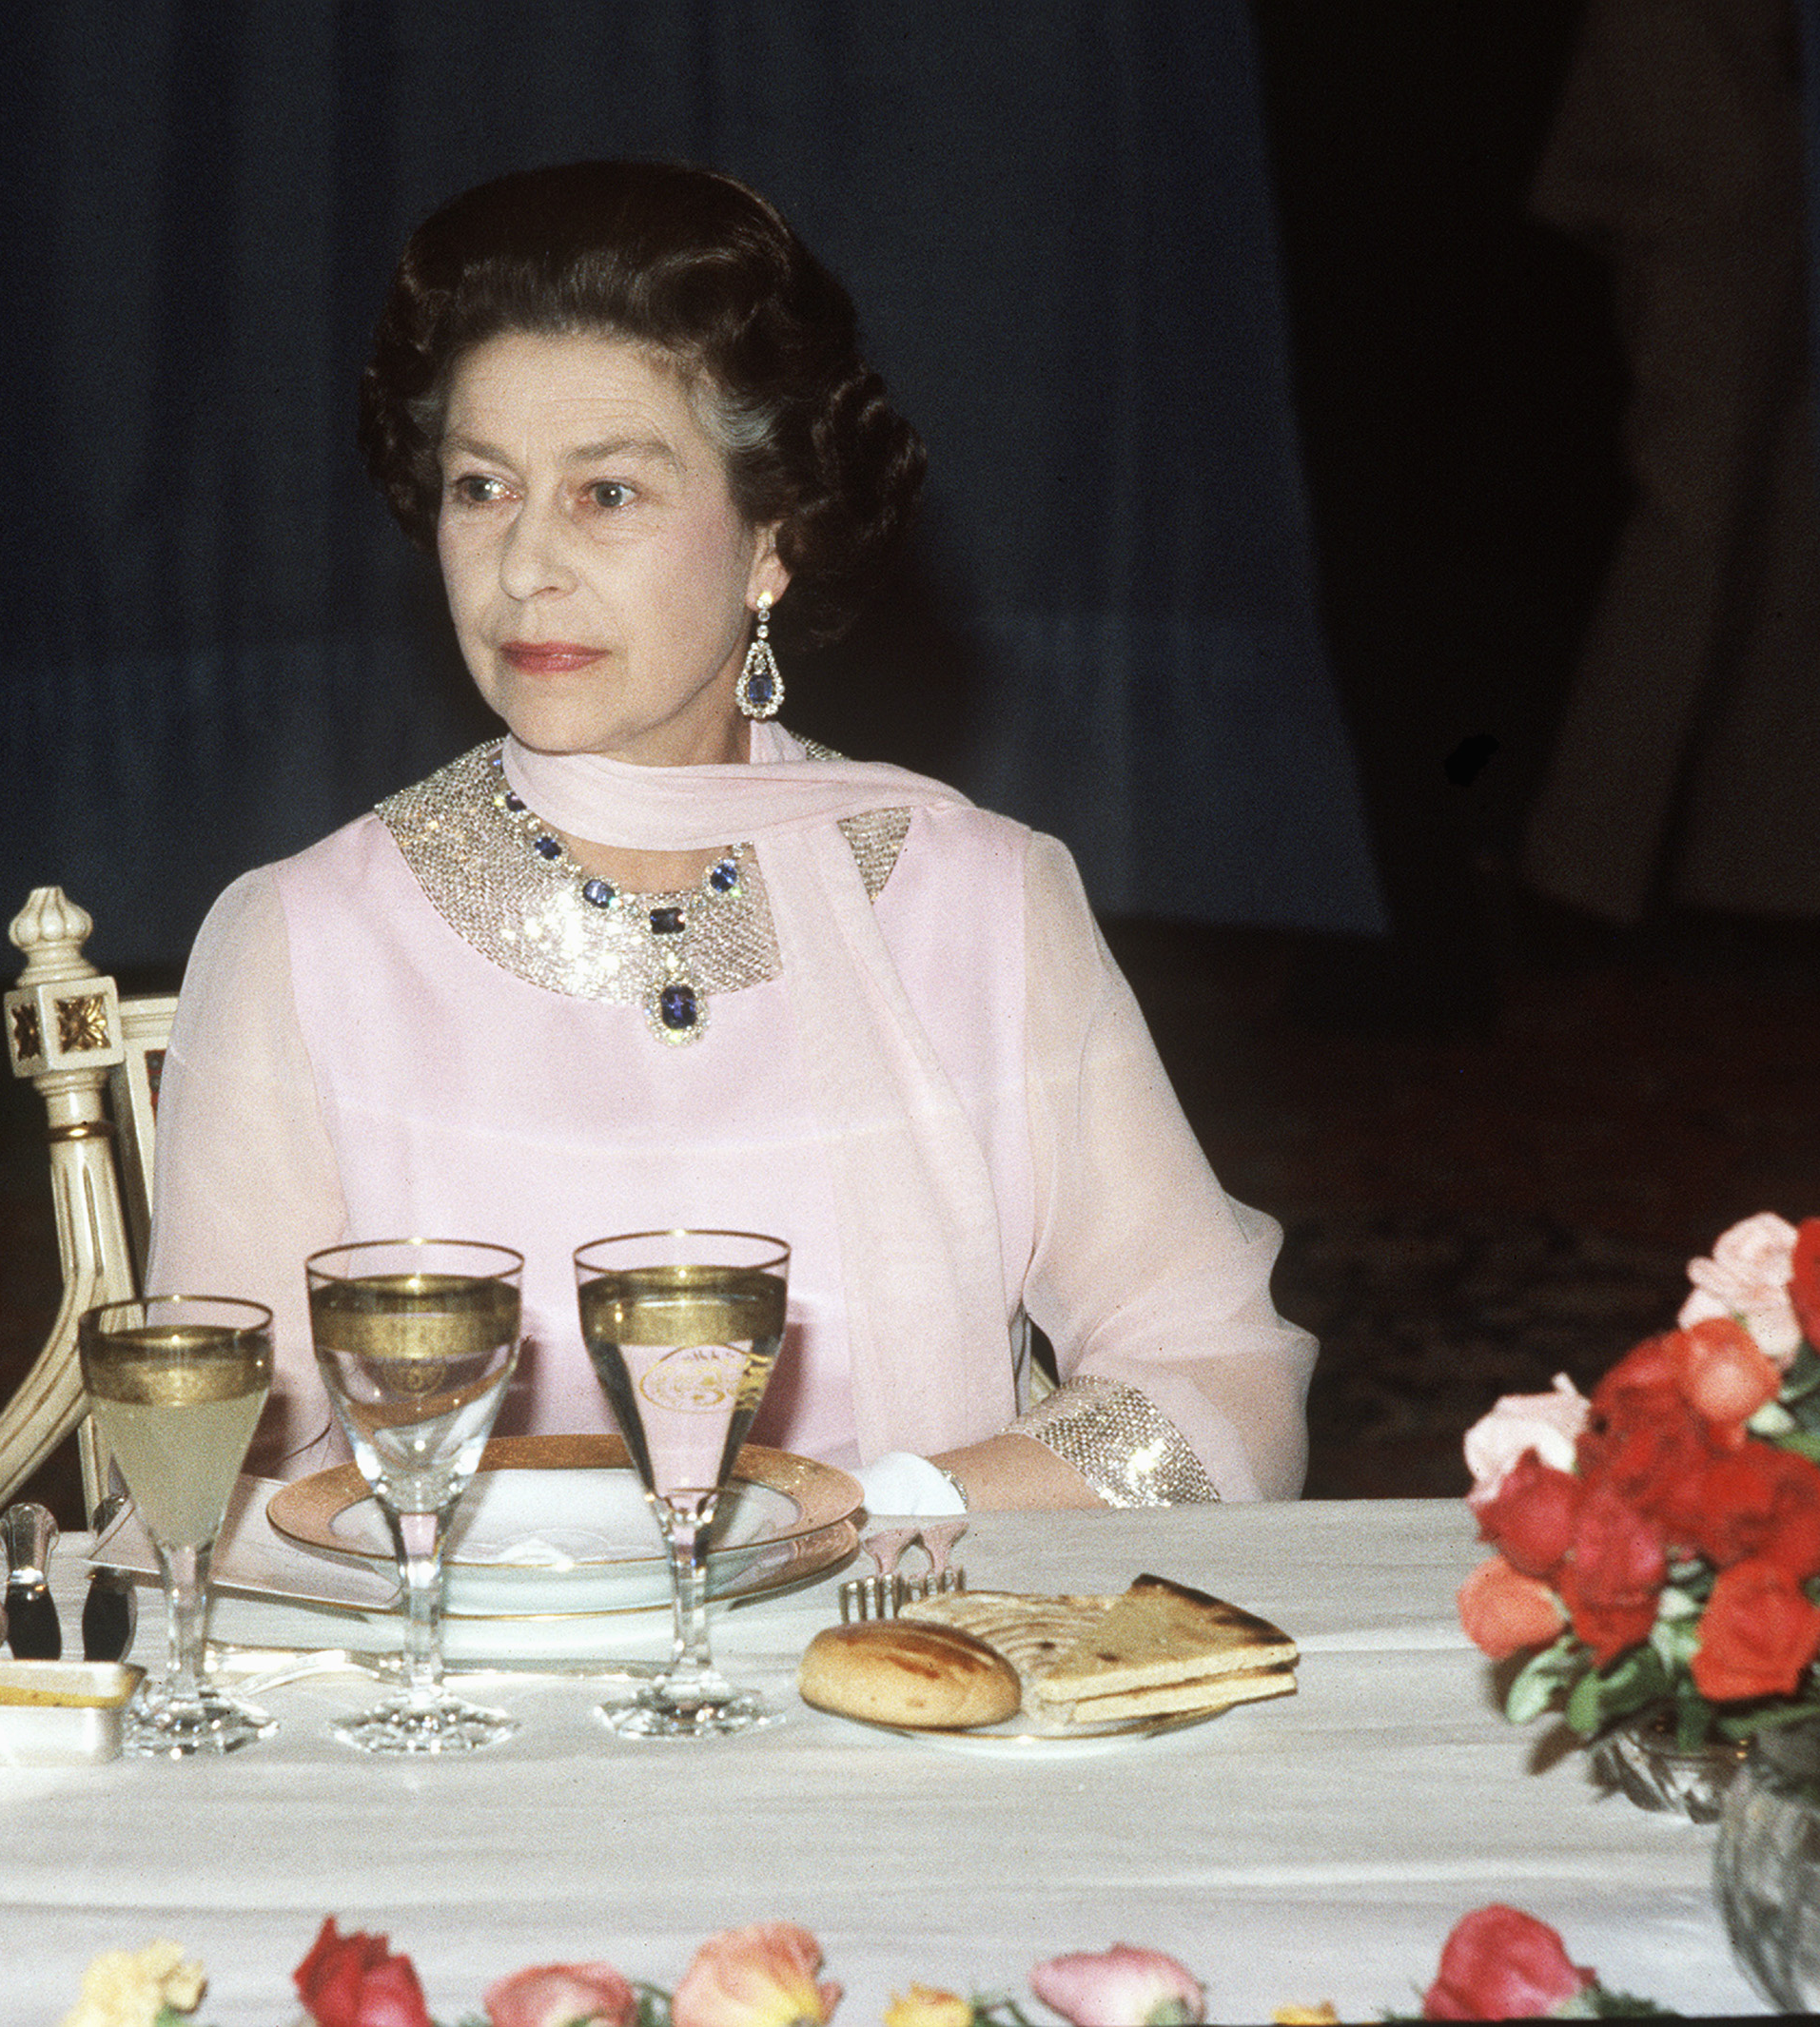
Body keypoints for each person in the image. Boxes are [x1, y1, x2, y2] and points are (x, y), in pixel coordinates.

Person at [146, 161, 1314, 1510]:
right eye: (481, 487)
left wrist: (863, 1516)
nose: (525, 566)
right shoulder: (307, 938)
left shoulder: (979, 902)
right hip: (468, 1642)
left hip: (894, 1622)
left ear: (772, 537)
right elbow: (202, 1484)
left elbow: (1223, 1392)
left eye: (608, 493)